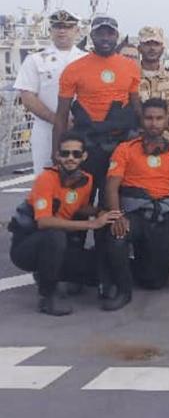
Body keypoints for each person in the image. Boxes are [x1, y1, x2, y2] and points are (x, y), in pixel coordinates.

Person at [8, 132, 121, 315]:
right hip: (27, 247)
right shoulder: (46, 178)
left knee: (95, 269)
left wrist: (100, 212)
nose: (70, 158)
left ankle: (53, 274)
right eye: (65, 153)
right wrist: (91, 225)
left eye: (76, 154)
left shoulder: (86, 179)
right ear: (58, 156)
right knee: (55, 235)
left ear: (84, 156)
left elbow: (79, 208)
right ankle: (47, 296)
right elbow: (44, 222)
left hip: (56, 245)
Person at [102, 98, 169, 310]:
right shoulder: (125, 149)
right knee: (117, 236)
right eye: (149, 118)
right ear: (141, 120)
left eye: (159, 118)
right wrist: (117, 216)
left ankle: (126, 268)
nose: (154, 123)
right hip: (133, 214)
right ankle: (122, 290)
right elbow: (111, 187)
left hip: (160, 216)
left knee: (155, 281)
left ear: (166, 120)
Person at [53, 15, 142, 200]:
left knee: (113, 200)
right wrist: (56, 152)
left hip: (119, 144)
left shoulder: (131, 67)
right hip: (87, 143)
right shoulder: (73, 69)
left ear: (117, 36)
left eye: (110, 33)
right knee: (79, 199)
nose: (105, 38)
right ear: (92, 36)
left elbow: (136, 109)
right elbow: (61, 114)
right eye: (100, 33)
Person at [14, 9, 86, 173]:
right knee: (45, 174)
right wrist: (57, 120)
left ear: (77, 30)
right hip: (45, 128)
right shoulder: (35, 60)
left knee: (80, 177)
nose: (62, 31)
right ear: (50, 30)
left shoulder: (87, 59)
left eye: (67, 27)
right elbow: (27, 96)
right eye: (58, 26)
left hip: (80, 128)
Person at [136, 26, 169, 146]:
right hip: (137, 138)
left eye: (156, 44)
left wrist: (159, 123)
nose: (152, 48)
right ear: (139, 48)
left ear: (163, 48)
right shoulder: (131, 79)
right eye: (147, 44)